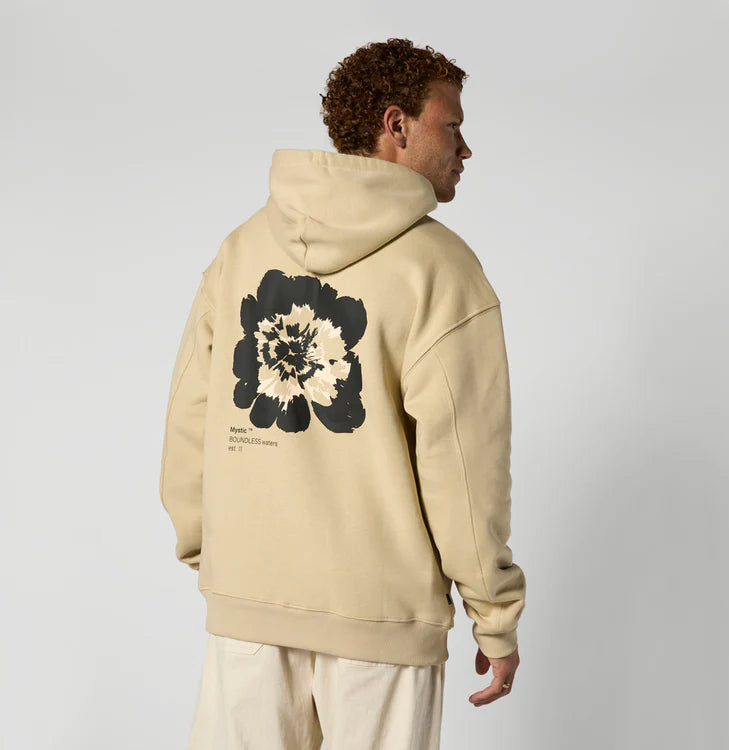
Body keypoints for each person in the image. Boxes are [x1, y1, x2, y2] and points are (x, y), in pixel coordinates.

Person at [159, 37, 527, 750]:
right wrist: (495, 616)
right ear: (397, 126)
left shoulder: (241, 249)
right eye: (452, 126)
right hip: (380, 624)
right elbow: (464, 467)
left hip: (248, 609)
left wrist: (223, 558)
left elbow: (190, 420)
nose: (465, 148)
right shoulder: (442, 270)